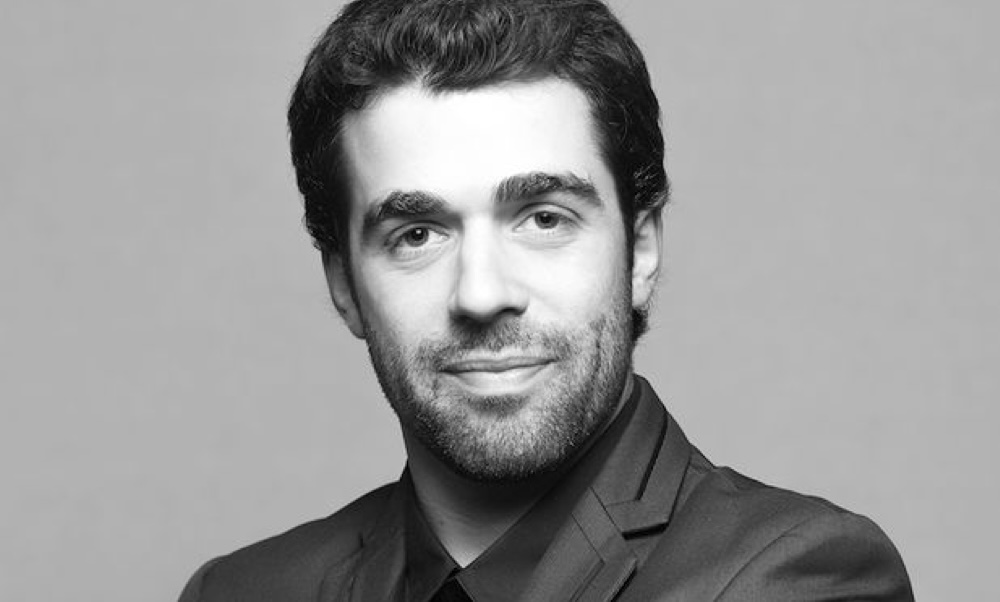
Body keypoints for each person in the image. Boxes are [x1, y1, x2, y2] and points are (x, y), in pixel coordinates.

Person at [179, 0, 914, 600]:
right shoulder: (241, 591)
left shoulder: (797, 576)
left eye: (543, 220)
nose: (482, 293)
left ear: (640, 251)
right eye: (417, 234)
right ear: (343, 284)